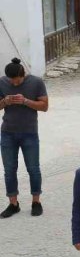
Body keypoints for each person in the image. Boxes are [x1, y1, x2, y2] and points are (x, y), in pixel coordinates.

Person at [0, 58, 49, 219]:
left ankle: (36, 202)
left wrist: (25, 101)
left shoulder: (36, 82)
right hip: (7, 133)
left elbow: (45, 106)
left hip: (29, 133)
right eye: (11, 80)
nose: (14, 83)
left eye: (17, 80)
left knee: (33, 169)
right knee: (9, 170)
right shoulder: (2, 82)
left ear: (23, 74)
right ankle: (13, 204)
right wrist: (5, 101)